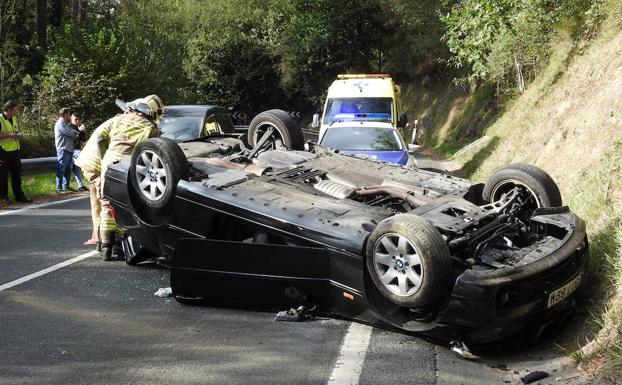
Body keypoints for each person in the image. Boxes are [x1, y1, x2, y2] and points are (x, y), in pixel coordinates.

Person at [76, 94, 163, 260]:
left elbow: (101, 137)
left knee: (103, 203)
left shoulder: (118, 119)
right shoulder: (151, 128)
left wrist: (104, 161)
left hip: (103, 162)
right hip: (111, 167)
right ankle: (110, 246)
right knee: (117, 204)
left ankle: (103, 245)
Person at [0, 100, 32, 204]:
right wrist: (10, 135)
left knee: (17, 175)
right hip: (3, 152)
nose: (16, 112)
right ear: (8, 110)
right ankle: (4, 197)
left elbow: (15, 131)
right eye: (14, 110)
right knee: (3, 176)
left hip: (15, 151)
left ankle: (19, 196)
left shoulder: (14, 118)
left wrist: (18, 134)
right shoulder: (0, 119)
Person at [54, 107, 84, 193]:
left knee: (68, 169)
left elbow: (73, 132)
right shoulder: (60, 123)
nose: (70, 116)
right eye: (69, 114)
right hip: (63, 149)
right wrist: (78, 132)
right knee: (61, 168)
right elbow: (71, 133)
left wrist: (76, 133)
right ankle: (59, 188)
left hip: (69, 149)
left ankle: (66, 187)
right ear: (65, 114)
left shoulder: (66, 123)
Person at [69, 113, 88, 192]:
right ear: (71, 120)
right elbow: (74, 137)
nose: (77, 121)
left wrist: (83, 131)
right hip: (71, 150)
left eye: (78, 119)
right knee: (85, 156)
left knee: (77, 169)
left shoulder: (78, 127)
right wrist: (80, 131)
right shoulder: (69, 127)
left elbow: (83, 139)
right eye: (75, 119)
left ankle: (81, 186)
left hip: (76, 150)